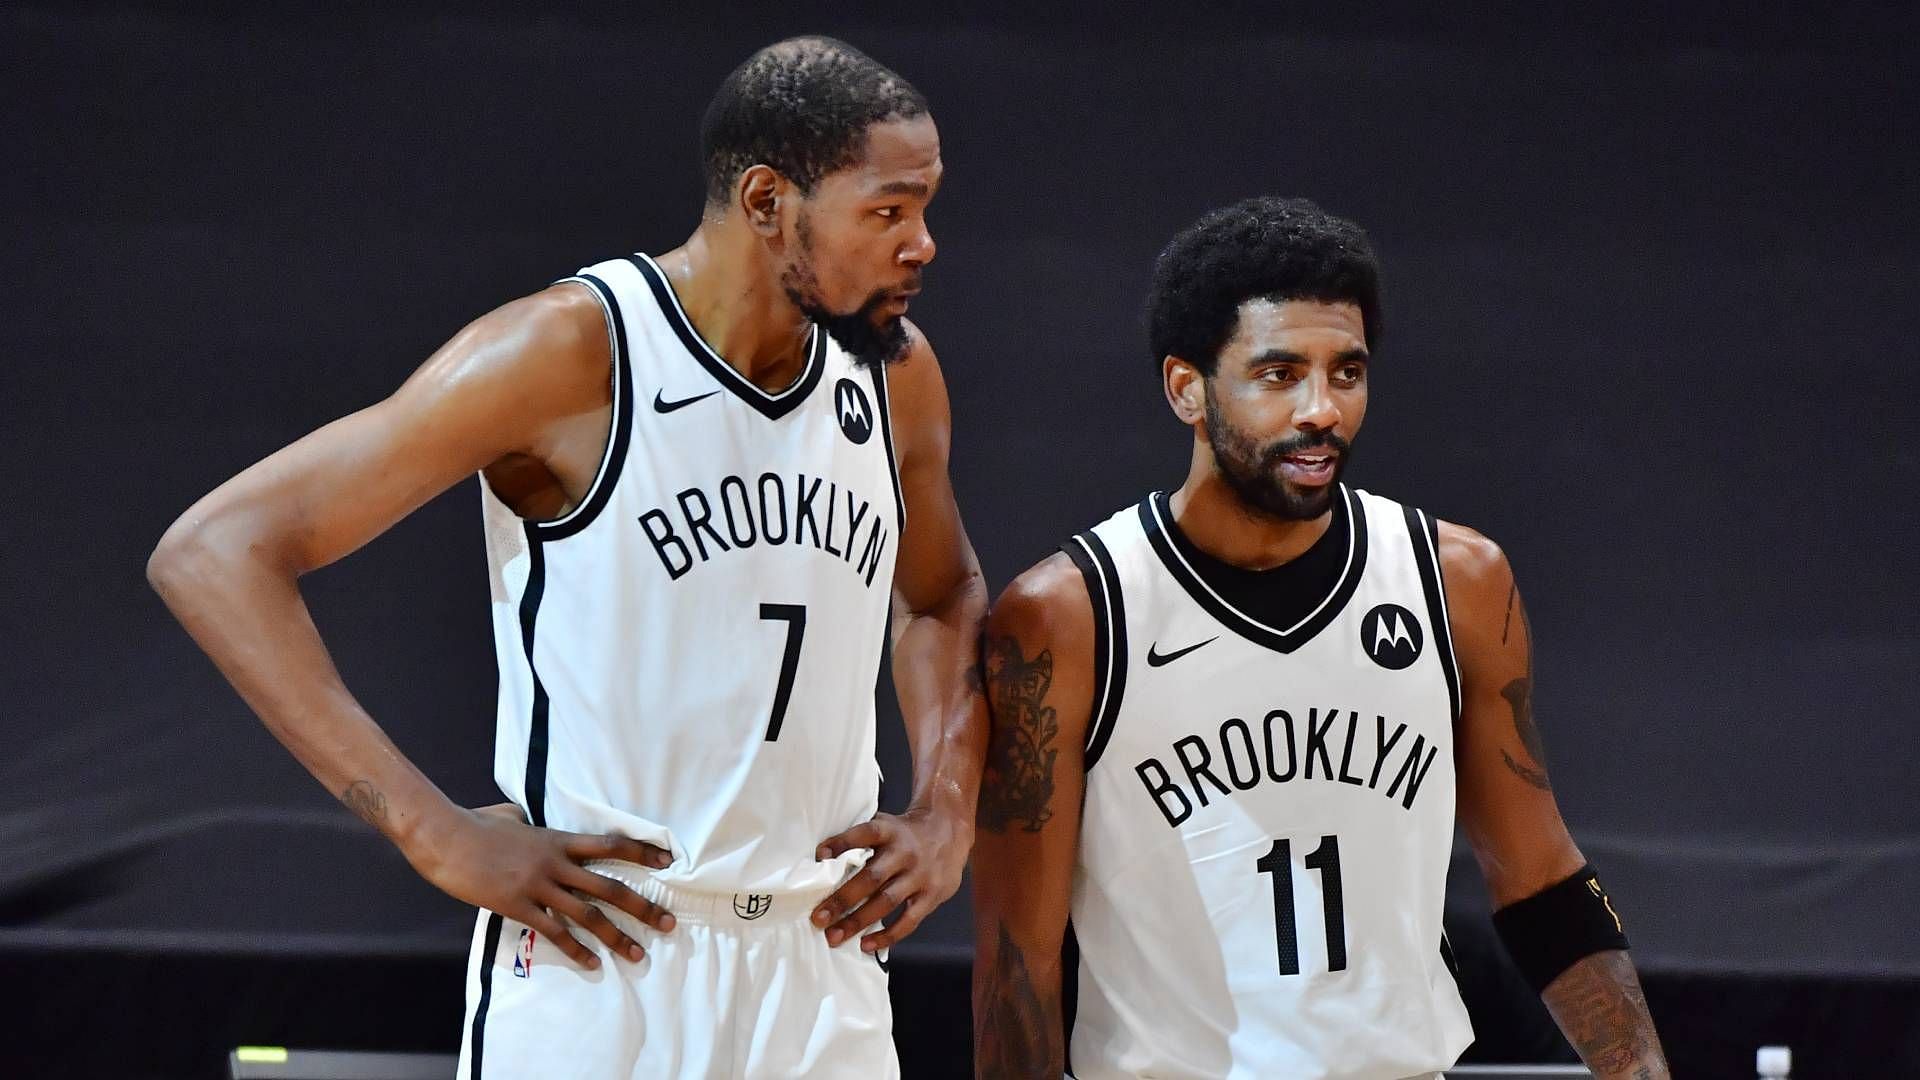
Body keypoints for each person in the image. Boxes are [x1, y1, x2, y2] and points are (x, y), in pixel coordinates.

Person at [148, 36, 987, 1079]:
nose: (924, 245)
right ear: (769, 200)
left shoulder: (896, 375)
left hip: (822, 961)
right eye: (889, 210)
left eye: (926, 208)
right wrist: (430, 832)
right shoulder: (568, 353)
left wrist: (946, 815)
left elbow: (944, 595)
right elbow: (217, 552)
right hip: (612, 956)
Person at [970, 197, 1668, 1079]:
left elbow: (1539, 879)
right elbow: (1015, 962)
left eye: (1346, 372)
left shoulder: (1456, 581)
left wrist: (1641, 1070)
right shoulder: (1067, 615)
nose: (1322, 409)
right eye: (1279, 374)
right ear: (1187, 387)